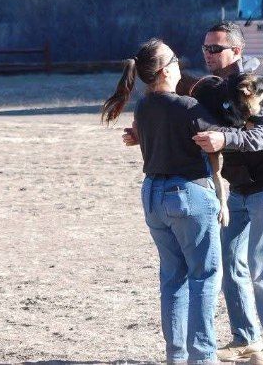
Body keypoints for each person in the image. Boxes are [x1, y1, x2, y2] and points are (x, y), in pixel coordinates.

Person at [102, 38, 242, 364]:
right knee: (204, 277)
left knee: (172, 278)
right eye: (175, 59)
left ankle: (176, 356)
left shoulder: (144, 106)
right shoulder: (187, 107)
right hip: (188, 196)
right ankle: (202, 358)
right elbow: (224, 135)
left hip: (153, 194)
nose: (180, 64)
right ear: (165, 71)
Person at [195, 22, 263, 365]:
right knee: (229, 261)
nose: (208, 54)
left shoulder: (255, 84)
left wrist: (225, 139)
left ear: (236, 51)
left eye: (216, 49)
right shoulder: (212, 88)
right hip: (238, 187)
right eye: (205, 48)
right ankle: (246, 338)